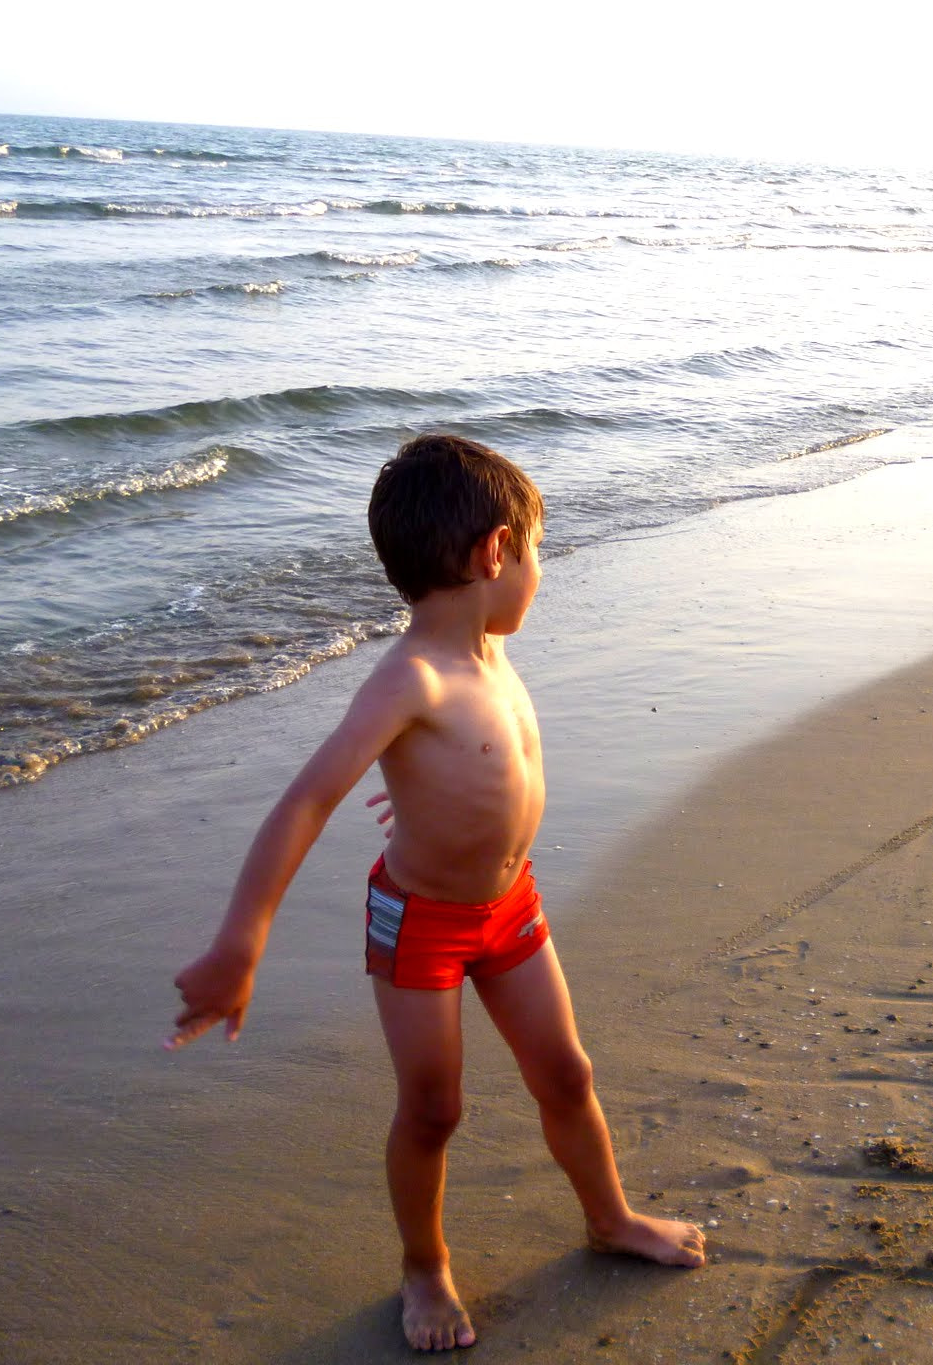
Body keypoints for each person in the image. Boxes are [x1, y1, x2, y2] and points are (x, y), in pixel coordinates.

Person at [168, 435, 707, 1352]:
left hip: (512, 908)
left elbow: (476, 761)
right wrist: (239, 943)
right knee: (433, 1108)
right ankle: (424, 1269)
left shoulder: (486, 654)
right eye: (536, 551)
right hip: (420, 926)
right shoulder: (409, 678)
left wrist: (423, 790)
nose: (540, 570)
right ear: (495, 553)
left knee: (567, 1074)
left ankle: (610, 1216)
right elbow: (304, 802)